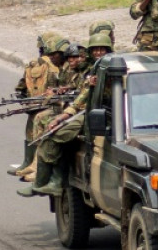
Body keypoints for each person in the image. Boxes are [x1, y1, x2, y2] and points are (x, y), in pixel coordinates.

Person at [17, 40, 110, 198]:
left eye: (102, 50)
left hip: (100, 116)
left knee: (55, 135)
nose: (98, 53)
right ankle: (41, 180)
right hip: (83, 111)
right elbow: (83, 94)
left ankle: (50, 182)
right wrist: (64, 113)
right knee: (50, 129)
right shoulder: (94, 70)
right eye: (95, 49)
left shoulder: (111, 68)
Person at [7, 33, 66, 177]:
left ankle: (37, 166)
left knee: (40, 124)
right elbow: (23, 85)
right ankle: (28, 162)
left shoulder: (65, 67)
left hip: (56, 107)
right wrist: (23, 97)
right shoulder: (38, 65)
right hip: (40, 104)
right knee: (31, 125)